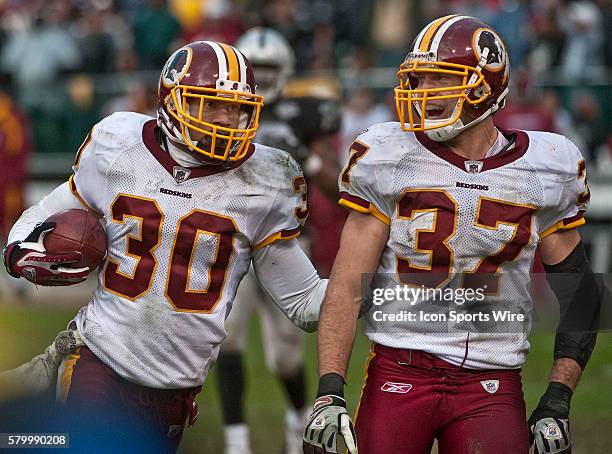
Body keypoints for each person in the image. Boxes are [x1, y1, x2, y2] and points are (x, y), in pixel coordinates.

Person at [2, 40, 329, 453]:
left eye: (237, 108)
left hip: (176, 392)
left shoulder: (268, 180)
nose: (227, 119)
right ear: (173, 102)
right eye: (211, 105)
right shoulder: (118, 144)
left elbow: (304, 302)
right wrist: (20, 251)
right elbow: (46, 211)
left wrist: (380, 285)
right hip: (99, 361)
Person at [303, 15, 603, 454]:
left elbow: (581, 295)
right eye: (418, 79)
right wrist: (330, 390)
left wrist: (558, 398)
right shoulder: (389, 155)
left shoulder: (546, 167)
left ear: (484, 88)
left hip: (492, 380)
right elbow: (347, 286)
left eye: (438, 80)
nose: (422, 92)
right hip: (399, 368)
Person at [216, 27, 342, 454]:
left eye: (271, 68)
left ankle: (297, 420)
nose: (265, 76)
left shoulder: (306, 113)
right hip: (231, 239)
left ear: (286, 68)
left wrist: (305, 157)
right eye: (258, 67)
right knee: (226, 338)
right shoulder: (222, 108)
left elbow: (340, 187)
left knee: (285, 355)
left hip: (286, 240)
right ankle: (237, 442)